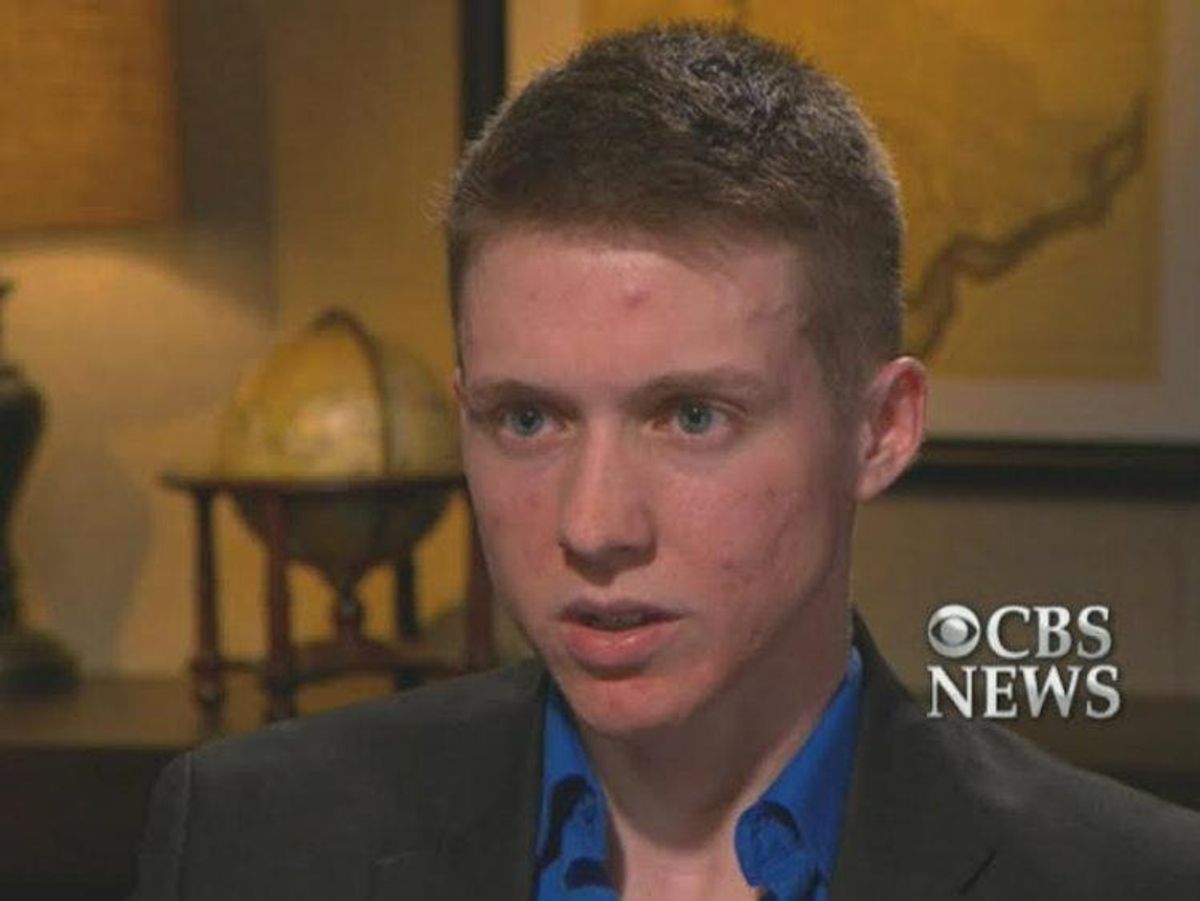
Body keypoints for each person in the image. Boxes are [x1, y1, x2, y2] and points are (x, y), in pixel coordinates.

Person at [133, 23, 1200, 901]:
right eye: (527, 419)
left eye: (692, 417)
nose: (593, 525)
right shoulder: (247, 838)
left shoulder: (1128, 878)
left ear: (881, 429)